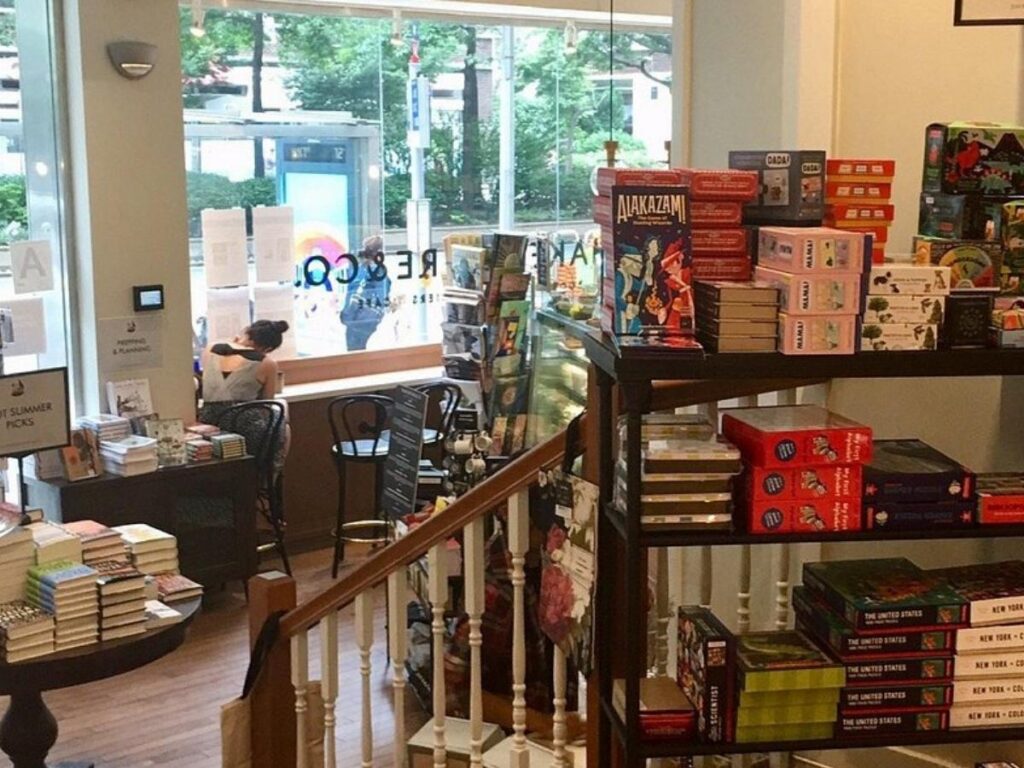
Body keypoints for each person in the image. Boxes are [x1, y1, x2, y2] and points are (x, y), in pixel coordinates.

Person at [198, 319, 289, 426]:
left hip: (208, 420)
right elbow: (267, 404)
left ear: (247, 332)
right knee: (282, 420)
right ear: (267, 349)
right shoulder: (267, 363)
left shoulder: (210, 348)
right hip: (243, 424)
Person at [340, 234, 391, 352]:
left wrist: (346, 315)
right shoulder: (379, 272)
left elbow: (350, 293)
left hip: (352, 320)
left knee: (353, 357)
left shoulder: (357, 270)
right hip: (368, 321)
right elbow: (382, 298)